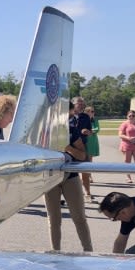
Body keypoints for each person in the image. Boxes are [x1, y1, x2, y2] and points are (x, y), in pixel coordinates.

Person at [43, 100, 93, 252]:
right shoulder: (43, 131)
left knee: (79, 217)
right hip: (50, 177)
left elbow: (82, 155)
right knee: (54, 219)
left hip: (70, 177)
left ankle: (88, 251)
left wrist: (68, 148)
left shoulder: (71, 130)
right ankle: (55, 251)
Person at [117, 109, 135, 184]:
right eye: (130, 116)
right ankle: (128, 177)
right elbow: (120, 134)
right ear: (127, 116)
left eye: (133, 116)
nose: (131, 117)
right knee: (127, 162)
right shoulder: (124, 124)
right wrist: (129, 138)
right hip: (127, 145)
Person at [80, 105, 99, 202]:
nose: (90, 112)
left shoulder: (89, 119)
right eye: (88, 111)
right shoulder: (71, 116)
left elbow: (95, 129)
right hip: (74, 145)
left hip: (87, 143)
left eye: (92, 111)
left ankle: (87, 193)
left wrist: (88, 131)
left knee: (86, 167)